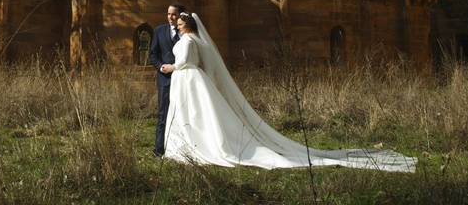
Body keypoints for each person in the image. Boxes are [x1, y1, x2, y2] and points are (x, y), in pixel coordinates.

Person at [163, 12, 416, 172]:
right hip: (191, 80)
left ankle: (193, 145)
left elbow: (185, 61)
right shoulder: (196, 40)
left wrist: (169, 67)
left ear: (188, 25)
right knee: (197, 114)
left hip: (186, 77)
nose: (179, 23)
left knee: (193, 114)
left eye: (181, 21)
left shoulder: (186, 41)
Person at [148, 3, 184, 157]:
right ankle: (159, 149)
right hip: (165, 79)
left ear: (181, 16)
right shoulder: (159, 31)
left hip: (183, 79)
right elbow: (153, 54)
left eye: (174, 14)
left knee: (183, 113)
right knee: (163, 113)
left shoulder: (187, 33)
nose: (170, 17)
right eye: (169, 14)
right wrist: (161, 66)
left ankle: (180, 149)